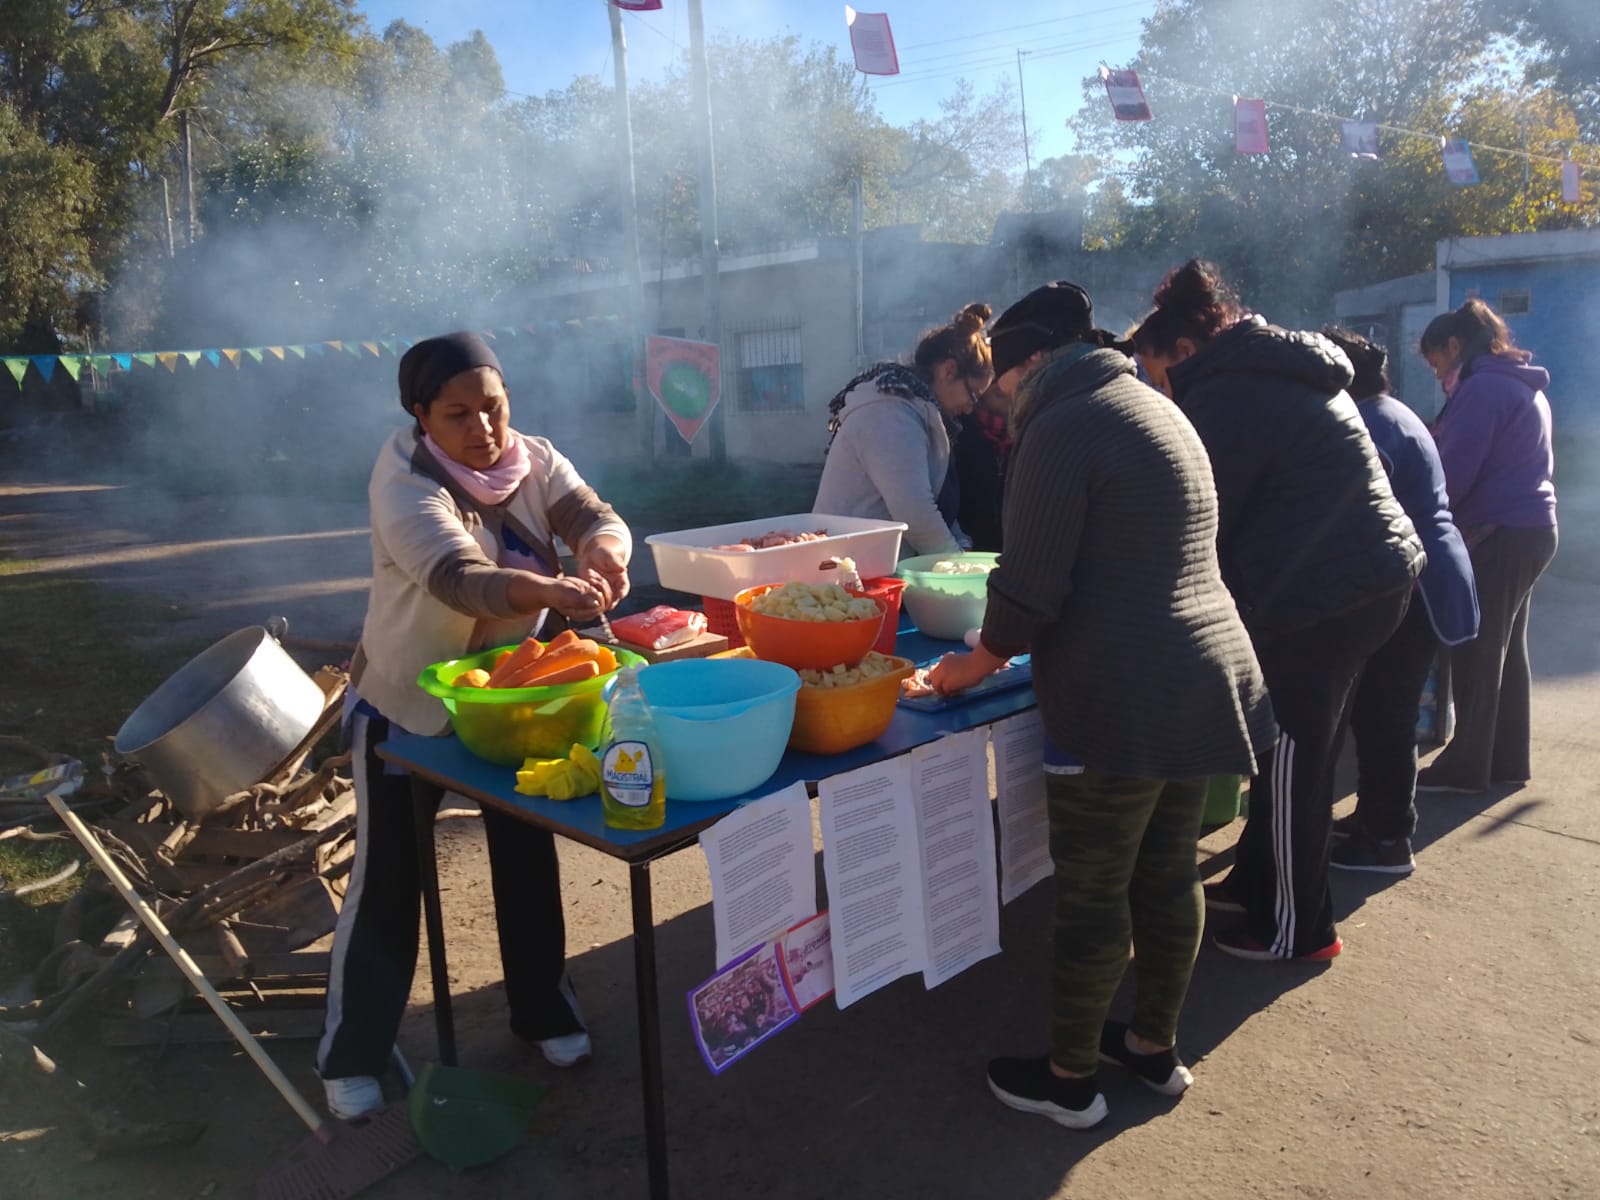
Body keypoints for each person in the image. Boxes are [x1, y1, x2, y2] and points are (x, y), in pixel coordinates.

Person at [929, 282, 1275, 1130]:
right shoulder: (1151, 405)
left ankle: (1069, 1079)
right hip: (1201, 678)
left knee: (1092, 891)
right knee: (1165, 873)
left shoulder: (1064, 423)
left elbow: (1029, 588)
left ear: (1035, 365)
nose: (1002, 406)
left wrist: (973, 663)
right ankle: (1154, 1049)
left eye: (1004, 389)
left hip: (1121, 693)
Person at [317, 332, 631, 1119]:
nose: (483, 429)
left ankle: (542, 1011)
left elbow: (592, 514)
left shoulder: (532, 458)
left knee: (526, 853)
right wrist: (552, 593)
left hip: (510, 702)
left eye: (492, 407)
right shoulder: (403, 480)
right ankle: (351, 1055)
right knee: (390, 880)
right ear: (421, 416)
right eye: (457, 414)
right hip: (409, 708)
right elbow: (460, 579)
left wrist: (604, 551)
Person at [1132, 261, 1424, 962]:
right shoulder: (1269, 367)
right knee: (1289, 751)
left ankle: (1296, 929)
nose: (1153, 388)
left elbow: (1201, 518)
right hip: (1368, 579)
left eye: (1153, 371)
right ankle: (1259, 884)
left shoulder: (1228, 393)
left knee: (1294, 756)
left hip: (1328, 595)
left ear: (1183, 350)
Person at [1319, 329, 1479, 876]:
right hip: (1425, 574)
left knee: (1387, 714)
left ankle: (1388, 839)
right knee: (1382, 711)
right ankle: (1375, 818)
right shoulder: (1392, 410)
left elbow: (1359, 519)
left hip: (1413, 584)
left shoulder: (1368, 426)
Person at [1415, 300, 1557, 793]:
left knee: (1476, 648)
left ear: (1455, 347)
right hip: (1532, 529)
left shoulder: (1481, 390)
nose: (1438, 376)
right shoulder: (1520, 384)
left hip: (1500, 533)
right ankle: (1505, 760)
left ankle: (1466, 767)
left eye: (1436, 363)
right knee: (1506, 649)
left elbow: (1453, 476)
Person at [813, 304, 993, 555]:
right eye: (973, 396)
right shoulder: (889, 413)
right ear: (948, 370)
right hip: (846, 573)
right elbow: (915, 512)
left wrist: (961, 544)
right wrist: (958, 570)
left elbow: (937, 504)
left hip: (881, 568)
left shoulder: (921, 414)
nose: (971, 408)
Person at [952, 379, 1011, 552]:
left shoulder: (1026, 430)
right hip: (967, 547)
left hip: (1010, 547)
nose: (1010, 398)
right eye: (999, 394)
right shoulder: (958, 431)